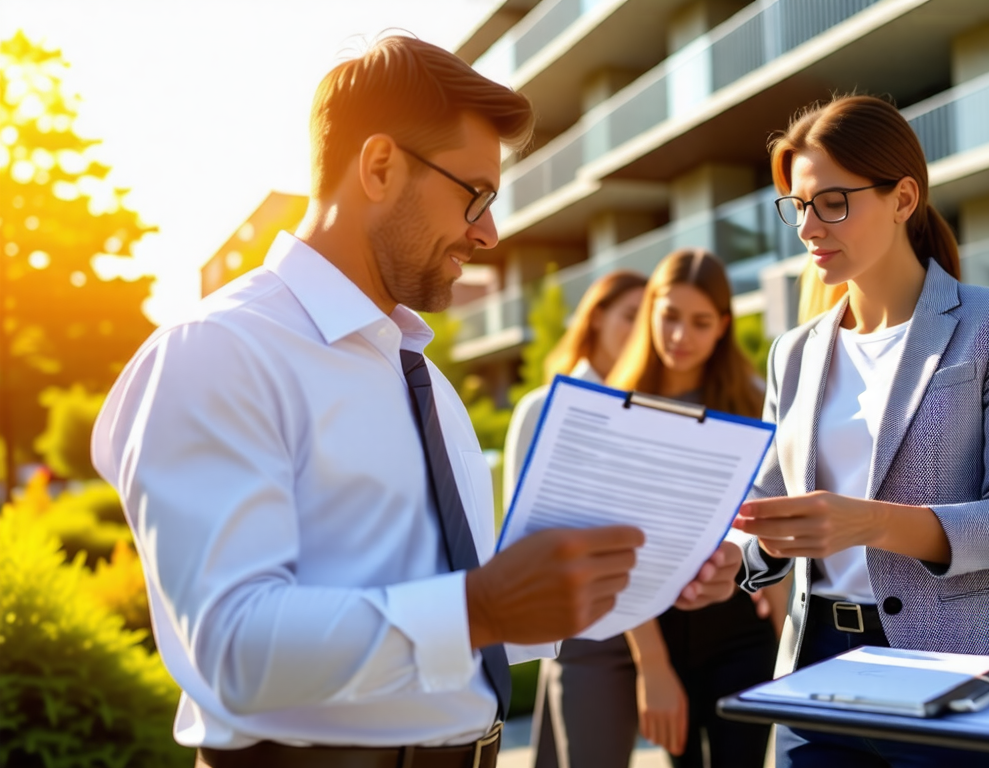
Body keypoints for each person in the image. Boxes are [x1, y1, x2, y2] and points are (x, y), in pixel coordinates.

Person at [90, 36, 742, 768]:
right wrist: (481, 606)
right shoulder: (220, 350)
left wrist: (642, 576)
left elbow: (472, 613)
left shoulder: (417, 373)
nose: (490, 231)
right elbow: (232, 652)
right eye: (476, 194)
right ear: (378, 167)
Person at [730, 94, 989, 768]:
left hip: (965, 668)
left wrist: (871, 523)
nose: (808, 227)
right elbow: (763, 504)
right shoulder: (792, 352)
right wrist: (731, 562)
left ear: (903, 197)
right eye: (798, 206)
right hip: (817, 670)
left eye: (832, 202)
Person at [606, 248, 782, 768]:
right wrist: (652, 666)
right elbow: (615, 547)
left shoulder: (752, 404)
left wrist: (788, 651)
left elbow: (770, 527)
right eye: (670, 317)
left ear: (724, 326)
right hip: (658, 627)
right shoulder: (618, 406)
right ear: (650, 312)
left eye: (701, 322)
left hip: (741, 629)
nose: (682, 336)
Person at [500, 269, 648, 768]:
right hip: (582, 625)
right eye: (631, 315)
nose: (641, 328)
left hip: (651, 616)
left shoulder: (653, 410)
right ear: (598, 317)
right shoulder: (545, 406)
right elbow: (520, 537)